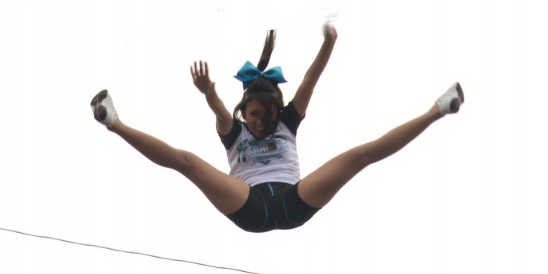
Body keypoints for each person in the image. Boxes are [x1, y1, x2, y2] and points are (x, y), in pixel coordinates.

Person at [90, 25, 464, 234]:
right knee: (186, 162)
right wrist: (210, 92)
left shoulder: (288, 122)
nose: (260, 121)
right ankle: (114, 122)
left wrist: (329, 44)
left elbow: (310, 81)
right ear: (245, 109)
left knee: (360, 156)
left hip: (292, 200)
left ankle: (438, 109)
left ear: (276, 111)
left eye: (266, 115)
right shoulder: (233, 132)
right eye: (253, 114)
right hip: (248, 203)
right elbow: (221, 111)